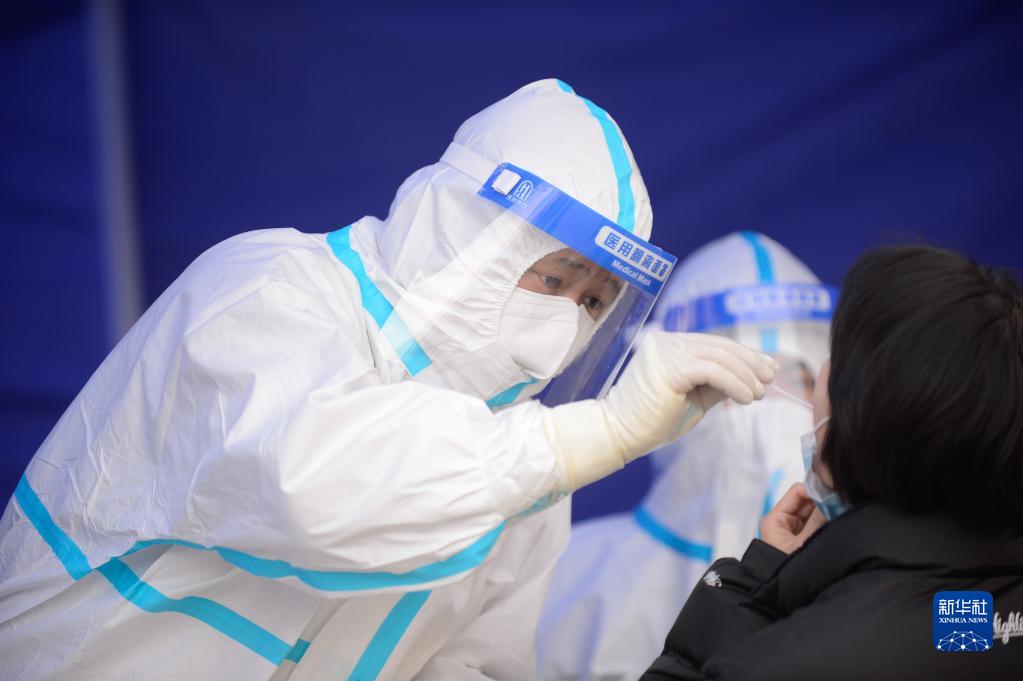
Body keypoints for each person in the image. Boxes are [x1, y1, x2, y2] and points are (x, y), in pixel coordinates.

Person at [0, 79, 776, 681]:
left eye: (594, 301)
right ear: (469, 231)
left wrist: (567, 447)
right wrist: (594, 434)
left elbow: (467, 659)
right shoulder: (272, 289)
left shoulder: (529, 454)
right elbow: (308, 485)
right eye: (554, 277)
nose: (566, 318)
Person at [641, 244, 1023, 680]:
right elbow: (947, 636)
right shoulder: (980, 614)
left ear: (866, 414)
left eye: (808, 372)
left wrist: (746, 595)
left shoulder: (785, 667)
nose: (777, 407)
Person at [537, 232, 834, 680]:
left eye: (798, 382)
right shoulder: (565, 570)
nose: (767, 409)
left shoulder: (862, 572)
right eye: (731, 383)